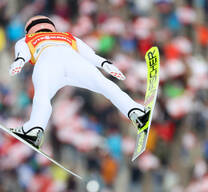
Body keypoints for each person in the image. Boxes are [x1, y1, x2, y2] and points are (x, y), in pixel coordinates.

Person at [9, 16, 150, 149]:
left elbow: (22, 53)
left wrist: (19, 62)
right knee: (105, 85)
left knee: (42, 96)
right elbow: (90, 55)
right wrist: (105, 63)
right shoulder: (67, 36)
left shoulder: (26, 39)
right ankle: (136, 112)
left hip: (47, 62)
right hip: (73, 60)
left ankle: (35, 130)